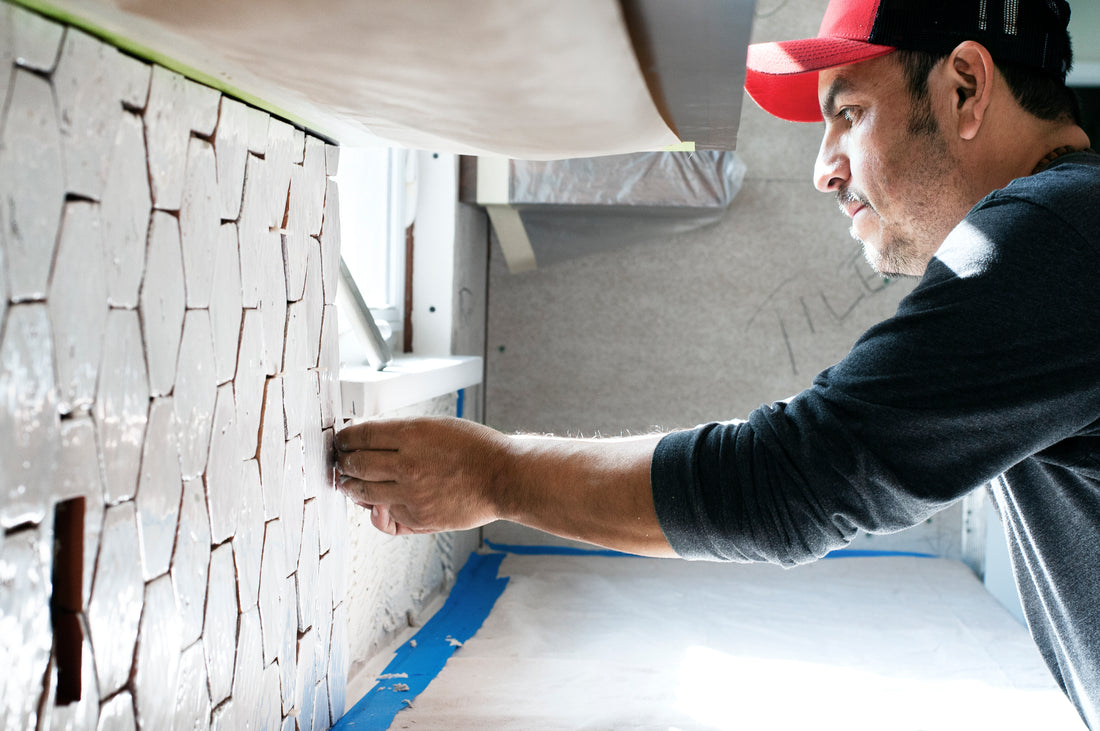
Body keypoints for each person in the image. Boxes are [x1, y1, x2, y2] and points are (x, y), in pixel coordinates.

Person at [336, 0, 1100, 726]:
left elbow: (798, 476)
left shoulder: (1054, 238)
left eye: (849, 114)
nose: (823, 171)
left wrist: (494, 474)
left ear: (966, 86)